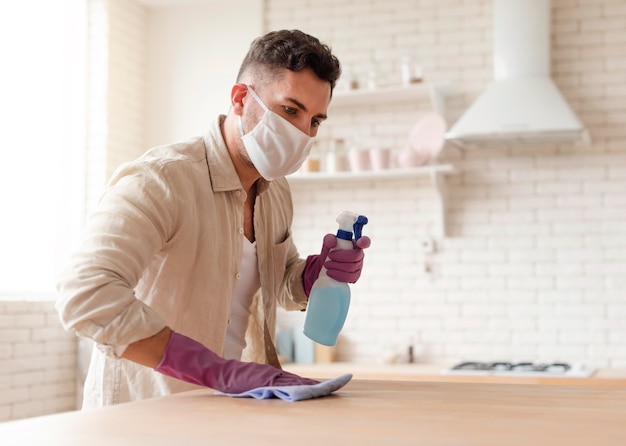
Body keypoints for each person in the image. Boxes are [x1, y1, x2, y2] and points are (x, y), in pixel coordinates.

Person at [56, 29, 371, 408]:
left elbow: (277, 283)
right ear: (240, 99)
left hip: (234, 411)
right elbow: (84, 292)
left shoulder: (276, 191)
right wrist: (216, 371)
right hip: (146, 417)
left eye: (315, 121)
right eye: (290, 110)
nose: (302, 134)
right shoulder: (161, 180)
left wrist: (310, 277)